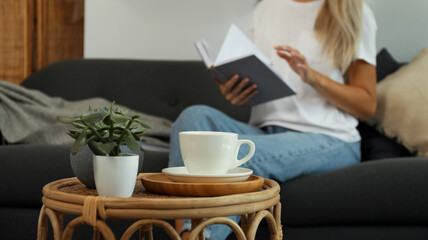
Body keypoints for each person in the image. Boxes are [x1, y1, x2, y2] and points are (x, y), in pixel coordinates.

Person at [170, 0, 377, 239]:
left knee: (228, 158)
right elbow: (261, 90)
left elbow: (367, 105)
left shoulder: (353, 11)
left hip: (330, 138)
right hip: (267, 133)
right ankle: (187, 232)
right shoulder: (266, 8)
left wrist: (313, 77)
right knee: (193, 118)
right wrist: (238, 93)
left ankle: (199, 237)